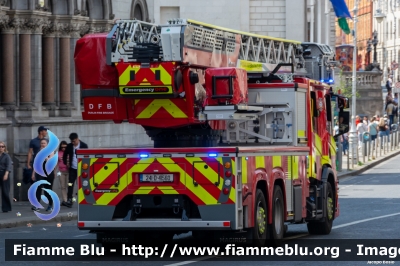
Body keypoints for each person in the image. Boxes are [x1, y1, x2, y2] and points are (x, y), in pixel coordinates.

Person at [63, 133, 88, 207]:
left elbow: (87, 156)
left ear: (77, 139)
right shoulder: (70, 146)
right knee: (70, 184)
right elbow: (65, 155)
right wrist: (66, 163)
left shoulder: (84, 146)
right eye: (72, 141)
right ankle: (69, 200)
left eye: (74, 141)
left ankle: (84, 200)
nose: (73, 143)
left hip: (82, 169)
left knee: (83, 184)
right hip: (73, 168)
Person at [31, 138, 56, 212]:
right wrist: (33, 174)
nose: (42, 145)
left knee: (48, 190)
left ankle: (50, 205)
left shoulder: (51, 152)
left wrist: (44, 156)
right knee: (38, 188)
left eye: (44, 143)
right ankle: (37, 205)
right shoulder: (38, 152)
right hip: (40, 173)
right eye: (41, 143)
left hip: (48, 173)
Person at [0, 141, 12, 212]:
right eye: (0, 146)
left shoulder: (6, 156)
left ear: (4, 148)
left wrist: (6, 174)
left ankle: (6, 208)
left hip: (4, 173)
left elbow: (8, 166)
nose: (1, 148)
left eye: (2, 146)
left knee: (5, 191)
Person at [56, 141, 69, 206]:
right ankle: (65, 200)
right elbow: (57, 163)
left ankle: (69, 199)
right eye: (62, 147)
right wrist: (54, 171)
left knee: (69, 185)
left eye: (65, 147)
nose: (63, 148)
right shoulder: (58, 153)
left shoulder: (69, 153)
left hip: (69, 171)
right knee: (63, 186)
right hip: (61, 171)